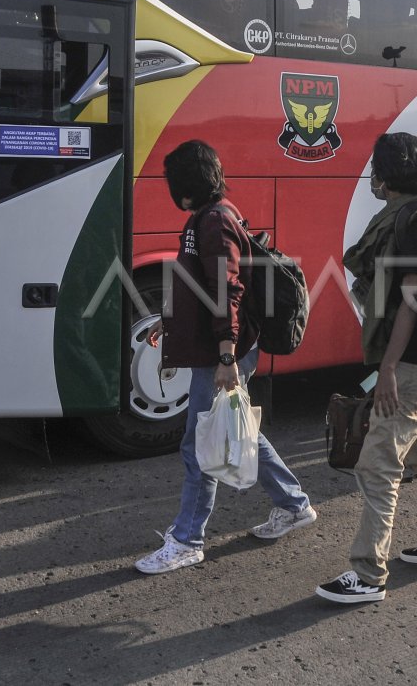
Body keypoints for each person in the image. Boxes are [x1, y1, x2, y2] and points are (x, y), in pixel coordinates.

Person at [135, 141, 316, 575]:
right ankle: (294, 504)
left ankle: (187, 540)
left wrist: (226, 354)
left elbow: (226, 291)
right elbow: (197, 285)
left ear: (184, 188)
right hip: (218, 346)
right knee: (237, 432)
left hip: (224, 350)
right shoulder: (212, 216)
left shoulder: (213, 222)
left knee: (201, 444)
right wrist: (170, 320)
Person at [318, 132, 417, 603]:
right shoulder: (416, 215)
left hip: (410, 364)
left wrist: (387, 368)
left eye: (377, 168)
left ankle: (367, 575)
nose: (373, 178)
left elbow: (412, 299)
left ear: (389, 172)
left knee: (378, 463)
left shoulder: (415, 220)